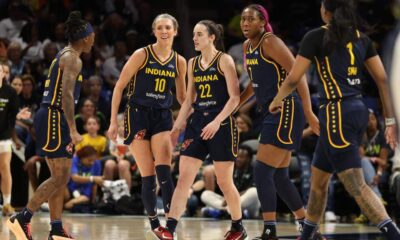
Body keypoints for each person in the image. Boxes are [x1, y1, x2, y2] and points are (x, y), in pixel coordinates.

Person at [269, 1, 400, 239]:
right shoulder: (361, 38)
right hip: (357, 110)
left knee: (356, 185)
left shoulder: (316, 36)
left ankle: (393, 233)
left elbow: (293, 78)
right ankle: (307, 235)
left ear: (325, 11)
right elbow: (382, 80)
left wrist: (276, 100)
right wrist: (389, 122)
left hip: (336, 113)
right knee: (319, 183)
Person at [156, 20, 247, 240]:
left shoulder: (224, 60)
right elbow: (188, 100)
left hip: (221, 124)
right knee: (184, 178)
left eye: (199, 35)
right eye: (194, 35)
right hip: (197, 123)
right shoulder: (192, 63)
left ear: (212, 37)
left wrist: (217, 121)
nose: (194, 39)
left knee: (225, 181)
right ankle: (170, 227)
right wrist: (176, 127)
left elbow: (235, 98)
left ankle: (237, 226)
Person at [7, 11, 95, 240]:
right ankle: (22, 217)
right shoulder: (72, 58)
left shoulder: (66, 55)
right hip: (55, 117)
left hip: (51, 116)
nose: (94, 38)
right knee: (59, 177)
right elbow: (66, 95)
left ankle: (56, 229)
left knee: (60, 176)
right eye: (92, 35)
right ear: (85, 37)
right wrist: (73, 129)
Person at [238, 4, 320, 239]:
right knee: (278, 176)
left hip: (286, 109)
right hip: (269, 112)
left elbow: (297, 75)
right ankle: (308, 228)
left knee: (262, 171)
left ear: (262, 22)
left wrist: (309, 112)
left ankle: (269, 230)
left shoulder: (269, 42)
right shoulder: (247, 46)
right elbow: (252, 86)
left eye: (250, 19)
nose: (245, 24)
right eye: (243, 19)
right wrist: (234, 106)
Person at [107, 13, 186, 239]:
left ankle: (169, 226)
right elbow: (119, 86)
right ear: (154, 31)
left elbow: (182, 97)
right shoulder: (142, 54)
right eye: (159, 27)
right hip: (137, 114)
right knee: (148, 175)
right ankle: (154, 224)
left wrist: (197, 113)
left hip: (162, 115)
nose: (164, 31)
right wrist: (114, 121)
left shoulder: (179, 61)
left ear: (175, 31)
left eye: (168, 28)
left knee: (164, 171)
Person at [0, 62, 20, 216]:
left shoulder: (10, 92)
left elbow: (11, 119)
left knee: (5, 167)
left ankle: (7, 204)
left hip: (3, 137)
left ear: (3, 74)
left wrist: (9, 136)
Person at [64, 146, 103, 210]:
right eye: (89, 160)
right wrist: (92, 178)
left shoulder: (97, 163)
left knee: (69, 205)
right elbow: (75, 178)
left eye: (93, 160)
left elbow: (95, 183)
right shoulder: (74, 160)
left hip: (85, 193)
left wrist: (93, 201)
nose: (92, 163)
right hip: (70, 188)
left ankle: (66, 205)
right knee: (62, 190)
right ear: (82, 158)